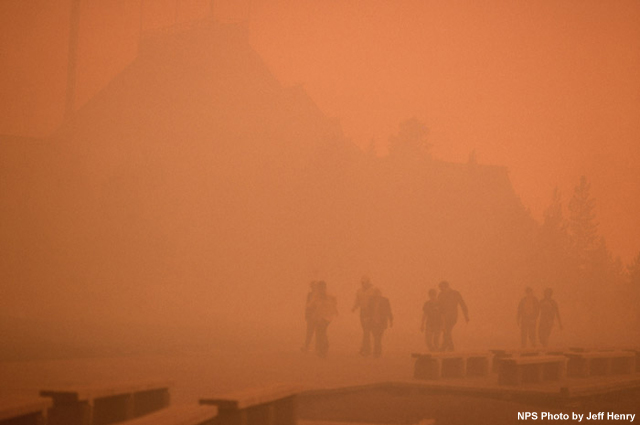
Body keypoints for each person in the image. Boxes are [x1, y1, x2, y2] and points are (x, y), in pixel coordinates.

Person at [437, 280, 469, 352]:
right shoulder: (440, 295)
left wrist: (466, 315)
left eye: (442, 288)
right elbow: (439, 307)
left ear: (446, 286)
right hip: (443, 316)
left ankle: (447, 347)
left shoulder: (455, 293)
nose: (441, 290)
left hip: (452, 316)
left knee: (447, 330)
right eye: (440, 289)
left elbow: (462, 304)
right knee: (446, 331)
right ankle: (448, 347)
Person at [310, 281, 338, 357]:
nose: (321, 289)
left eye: (322, 287)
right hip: (319, 316)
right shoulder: (317, 296)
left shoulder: (329, 296)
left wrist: (334, 310)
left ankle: (324, 348)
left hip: (326, 317)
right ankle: (321, 348)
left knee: (322, 331)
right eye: (320, 287)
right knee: (320, 332)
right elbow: (311, 305)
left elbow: (334, 302)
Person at [351, 276, 377, 356]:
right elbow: (357, 300)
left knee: (367, 331)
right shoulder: (359, 291)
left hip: (371, 312)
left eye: (364, 282)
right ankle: (365, 348)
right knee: (365, 331)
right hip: (363, 312)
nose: (363, 284)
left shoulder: (373, 291)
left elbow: (377, 301)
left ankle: (366, 349)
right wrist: (354, 307)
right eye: (362, 282)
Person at [369, 288, 393, 358]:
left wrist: (391, 320)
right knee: (375, 337)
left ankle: (377, 351)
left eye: (378, 293)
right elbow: (368, 310)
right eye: (375, 293)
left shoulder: (385, 300)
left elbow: (389, 310)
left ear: (380, 294)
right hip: (373, 321)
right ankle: (377, 351)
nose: (376, 295)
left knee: (379, 337)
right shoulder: (371, 301)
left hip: (382, 322)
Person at [302, 280, 318, 352]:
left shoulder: (320, 295)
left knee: (318, 332)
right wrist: (306, 314)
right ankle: (306, 346)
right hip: (311, 316)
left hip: (318, 315)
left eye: (314, 286)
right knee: (309, 332)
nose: (312, 288)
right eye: (312, 286)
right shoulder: (309, 294)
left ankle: (317, 347)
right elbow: (307, 305)